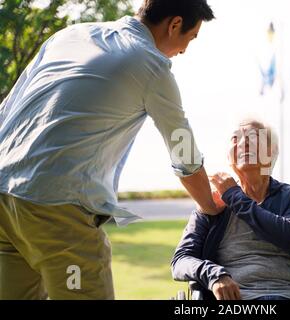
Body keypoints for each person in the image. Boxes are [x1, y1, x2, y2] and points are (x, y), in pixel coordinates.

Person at [0, 0, 222, 300]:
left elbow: (7, 110)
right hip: (56, 209)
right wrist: (210, 206)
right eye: (190, 38)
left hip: (4, 198)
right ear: (174, 24)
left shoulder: (68, 36)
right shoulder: (152, 67)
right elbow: (183, 153)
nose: (184, 50)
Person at [171, 118, 290, 300]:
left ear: (272, 152)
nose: (244, 143)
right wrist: (214, 275)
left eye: (254, 136)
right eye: (236, 138)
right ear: (229, 156)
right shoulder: (211, 204)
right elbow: (180, 261)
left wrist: (234, 196)